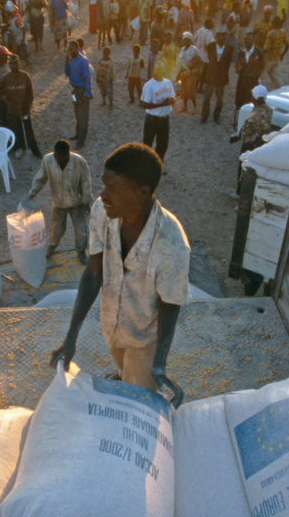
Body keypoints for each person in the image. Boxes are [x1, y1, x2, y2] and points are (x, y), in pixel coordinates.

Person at [49, 143, 189, 405]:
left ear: (142, 192)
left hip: (143, 336)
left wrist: (159, 361)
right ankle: (126, 375)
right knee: (125, 370)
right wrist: (71, 337)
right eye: (104, 186)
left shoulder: (172, 243)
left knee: (137, 400)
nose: (102, 195)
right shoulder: (103, 212)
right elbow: (93, 273)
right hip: (111, 324)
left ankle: (136, 379)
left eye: (113, 189)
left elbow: (170, 303)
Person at [23, 139, 92, 264]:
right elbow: (41, 178)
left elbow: (86, 183)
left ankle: (81, 251)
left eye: (65, 158)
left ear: (69, 154)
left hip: (76, 203)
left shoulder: (79, 162)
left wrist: (87, 201)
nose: (61, 160)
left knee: (81, 230)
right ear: (55, 155)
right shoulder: (47, 161)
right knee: (56, 229)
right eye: (59, 157)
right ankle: (51, 247)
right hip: (59, 203)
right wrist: (33, 192)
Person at [0, 54, 40, 159]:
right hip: (12, 110)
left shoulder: (25, 76)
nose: (14, 66)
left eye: (15, 63)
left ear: (19, 63)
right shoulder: (6, 77)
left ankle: (35, 150)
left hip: (24, 109)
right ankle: (17, 148)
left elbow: (30, 94)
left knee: (29, 130)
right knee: (14, 131)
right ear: (9, 64)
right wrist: (5, 100)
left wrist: (27, 107)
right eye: (11, 64)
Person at [140, 65, 175, 160]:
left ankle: (159, 165)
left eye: (162, 70)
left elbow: (173, 98)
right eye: (158, 70)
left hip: (164, 119)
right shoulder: (149, 85)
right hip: (152, 119)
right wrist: (162, 104)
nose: (160, 72)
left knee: (163, 145)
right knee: (147, 146)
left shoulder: (168, 83)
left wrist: (171, 101)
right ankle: (146, 166)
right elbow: (144, 105)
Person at [63, 40, 92, 149]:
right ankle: (77, 134)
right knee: (77, 114)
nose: (70, 51)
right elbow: (67, 74)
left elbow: (87, 78)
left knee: (83, 116)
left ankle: (81, 140)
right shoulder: (71, 61)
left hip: (82, 90)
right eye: (68, 49)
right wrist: (66, 63)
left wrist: (87, 94)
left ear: (77, 48)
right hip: (75, 90)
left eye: (72, 49)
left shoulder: (83, 61)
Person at [201, 29, 234, 124]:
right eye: (220, 36)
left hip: (221, 76)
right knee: (207, 97)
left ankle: (217, 117)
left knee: (219, 99)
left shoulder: (229, 48)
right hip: (211, 75)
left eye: (223, 36)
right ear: (216, 37)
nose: (222, 38)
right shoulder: (210, 46)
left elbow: (228, 64)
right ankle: (204, 117)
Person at [262, 17, 289, 90]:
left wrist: (261, 55)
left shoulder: (271, 33)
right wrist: (282, 54)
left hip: (268, 57)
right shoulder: (283, 31)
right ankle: (282, 88)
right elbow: (287, 44)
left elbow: (266, 48)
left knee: (261, 74)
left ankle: (257, 90)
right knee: (274, 74)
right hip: (277, 56)